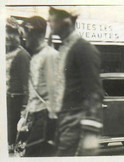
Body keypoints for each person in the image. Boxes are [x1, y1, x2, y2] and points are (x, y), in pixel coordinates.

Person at [48, 7, 103, 156]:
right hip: (64, 123)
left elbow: (94, 92)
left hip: (75, 123)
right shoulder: (64, 48)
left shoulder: (83, 49)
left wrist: (91, 133)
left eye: (52, 19)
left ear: (65, 21)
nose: (50, 24)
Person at [17, 16, 59, 157]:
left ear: (34, 34)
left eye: (25, 34)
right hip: (36, 119)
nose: (24, 39)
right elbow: (34, 92)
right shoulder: (35, 57)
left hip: (46, 120)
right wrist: (26, 116)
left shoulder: (51, 56)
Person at [5, 18, 30, 153]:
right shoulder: (5, 54)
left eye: (10, 32)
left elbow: (27, 85)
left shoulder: (22, 56)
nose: (7, 36)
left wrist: (23, 111)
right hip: (7, 99)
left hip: (16, 101)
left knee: (13, 140)